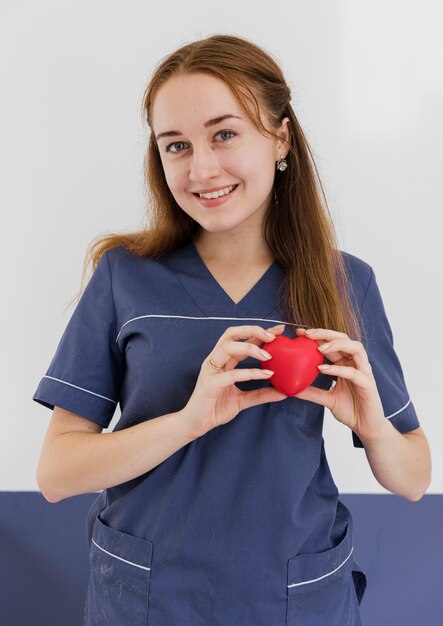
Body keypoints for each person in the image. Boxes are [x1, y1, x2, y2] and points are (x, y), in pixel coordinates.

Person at [33, 34, 431, 626]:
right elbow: (57, 474)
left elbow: (414, 478)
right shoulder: (124, 277)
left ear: (281, 139)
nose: (201, 168)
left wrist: (373, 425)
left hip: (296, 595)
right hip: (147, 596)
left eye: (225, 133)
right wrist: (187, 422)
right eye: (176, 145)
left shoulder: (345, 282)